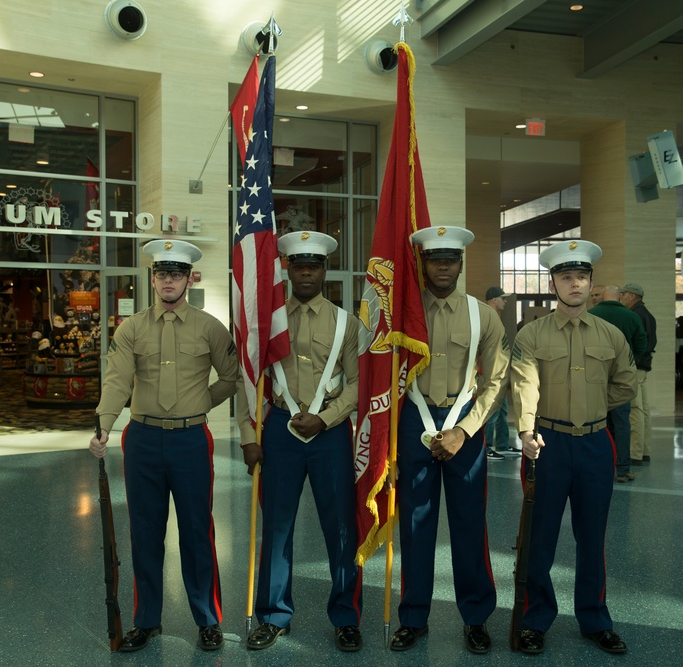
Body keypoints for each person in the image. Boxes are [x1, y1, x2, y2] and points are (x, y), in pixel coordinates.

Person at [88, 239, 240, 653]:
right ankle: (146, 620)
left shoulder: (210, 327)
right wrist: (103, 425)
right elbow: (117, 379)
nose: (168, 281)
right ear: (152, 279)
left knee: (197, 531)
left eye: (176, 274)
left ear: (189, 279)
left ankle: (208, 620)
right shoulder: (131, 327)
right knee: (145, 532)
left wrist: (200, 402)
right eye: (161, 274)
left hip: (192, 440)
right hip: (143, 440)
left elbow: (231, 376)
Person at [238, 231, 363, 652]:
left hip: (329, 435)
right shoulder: (267, 321)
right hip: (278, 432)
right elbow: (249, 378)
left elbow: (359, 384)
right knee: (276, 527)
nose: (306, 271)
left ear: (325, 270)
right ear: (287, 269)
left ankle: (346, 616)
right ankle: (273, 615)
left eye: (314, 264)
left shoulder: (346, 323)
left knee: (342, 528)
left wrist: (327, 418)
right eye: (298, 264)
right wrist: (247, 435)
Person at [510, 240, 636, 656]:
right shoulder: (532, 334)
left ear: (592, 284)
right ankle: (535, 620)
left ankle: (595, 619)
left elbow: (625, 383)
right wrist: (527, 431)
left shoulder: (612, 334)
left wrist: (597, 409)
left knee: (592, 537)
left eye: (582, 277)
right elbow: (525, 384)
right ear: (553, 283)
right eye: (566, 277)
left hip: (597, 445)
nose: (575, 284)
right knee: (540, 537)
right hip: (548, 442)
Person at [390, 226, 510, 654]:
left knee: (469, 525)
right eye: (434, 259)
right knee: (416, 526)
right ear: (422, 263)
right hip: (413, 424)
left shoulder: (484, 315)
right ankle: (413, 617)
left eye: (451, 259)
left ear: (461, 263)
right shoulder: (403, 314)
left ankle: (475, 617)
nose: (443, 266)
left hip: (466, 427)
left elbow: (497, 379)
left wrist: (465, 429)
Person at [588, 285, 646, 484]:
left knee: (597, 423)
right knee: (622, 423)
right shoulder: (631, 317)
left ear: (602, 297)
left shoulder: (590, 315)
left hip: (596, 378)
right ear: (619, 297)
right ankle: (623, 469)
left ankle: (601, 467)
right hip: (621, 378)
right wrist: (629, 364)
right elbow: (642, 346)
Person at [620, 283, 657, 467]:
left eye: (623, 294)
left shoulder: (636, 315)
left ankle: (634, 453)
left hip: (636, 366)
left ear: (633, 296)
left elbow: (641, 345)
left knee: (635, 409)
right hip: (644, 367)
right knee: (644, 410)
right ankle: (644, 451)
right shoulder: (647, 314)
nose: (621, 297)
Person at [483, 286, 514, 459]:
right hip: (491, 372)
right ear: (495, 300)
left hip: (499, 371)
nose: (505, 301)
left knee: (501, 410)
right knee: (492, 409)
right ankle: (486, 447)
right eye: (503, 298)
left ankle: (502, 444)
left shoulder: (494, 317)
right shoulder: (487, 317)